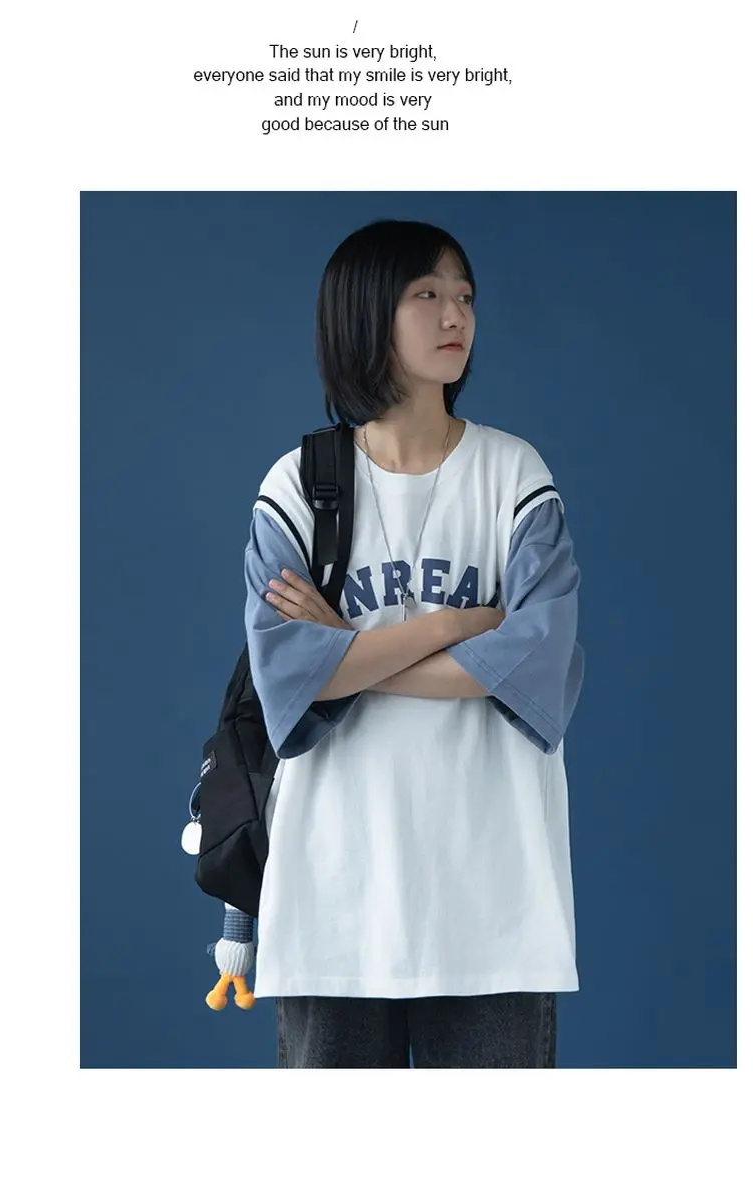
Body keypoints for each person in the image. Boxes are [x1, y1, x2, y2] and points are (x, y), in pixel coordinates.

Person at [237, 218, 584, 1068]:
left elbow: (538, 662)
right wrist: (455, 627)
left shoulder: (514, 476)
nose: (455, 314)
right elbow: (285, 674)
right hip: (334, 904)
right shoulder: (299, 487)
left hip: (495, 909)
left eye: (464, 295)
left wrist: (347, 652)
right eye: (426, 294)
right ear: (364, 314)